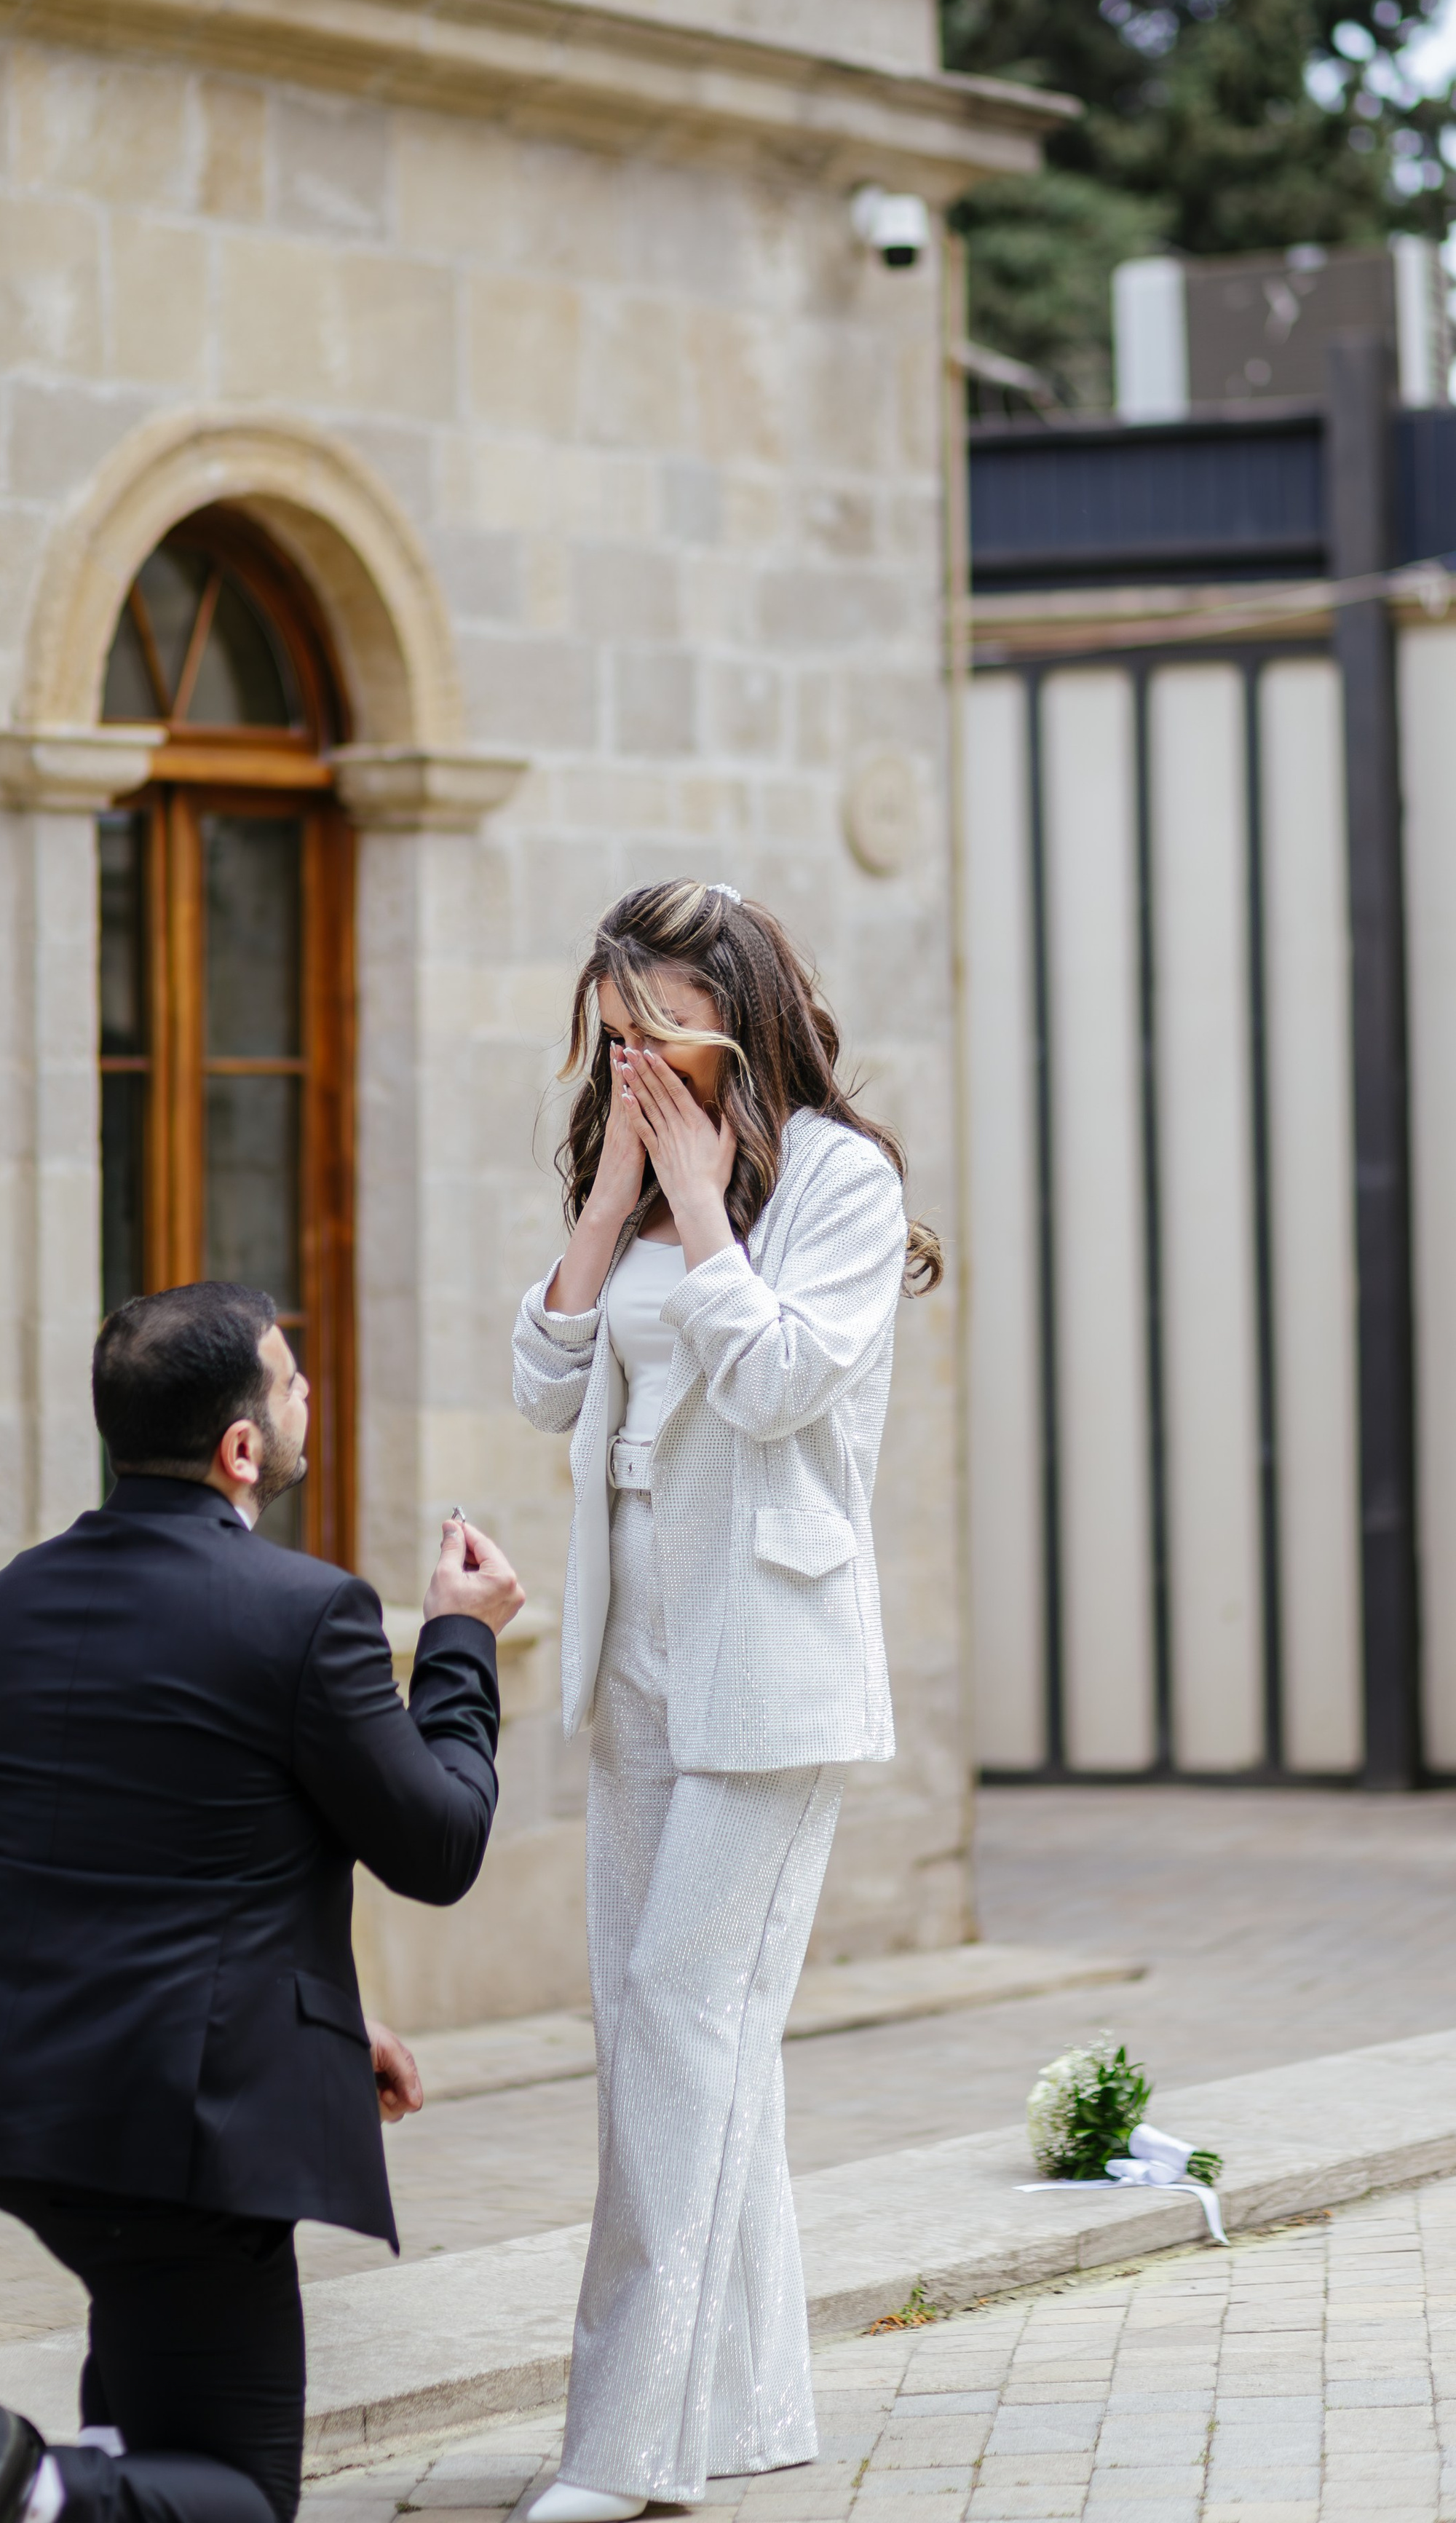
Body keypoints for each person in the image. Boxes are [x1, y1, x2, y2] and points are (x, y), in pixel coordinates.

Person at [0, 1279, 523, 2523]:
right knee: (235, 2490)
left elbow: (141, 1856)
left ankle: (38, 2483)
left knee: (149, 2383)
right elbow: (439, 1847)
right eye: (291, 1381)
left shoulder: (8, 1603)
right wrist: (460, 1641)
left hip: (11, 2090)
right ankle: (35, 2490)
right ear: (242, 1449)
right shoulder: (306, 1614)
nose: (307, 1395)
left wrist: (330, 2022)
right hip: (183, 2124)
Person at [511, 880, 941, 2523]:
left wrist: (699, 1211)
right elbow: (544, 1381)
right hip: (637, 1649)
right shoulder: (630, 1167)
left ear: (738, 1017)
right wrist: (615, 1194)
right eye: (611, 1035)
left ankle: (616, 2451)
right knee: (666, 2032)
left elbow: (772, 1389)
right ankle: (744, 2407)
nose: (633, 1061)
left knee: (682, 2027)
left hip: (769, 1660)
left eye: (660, 1031)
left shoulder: (838, 1181)